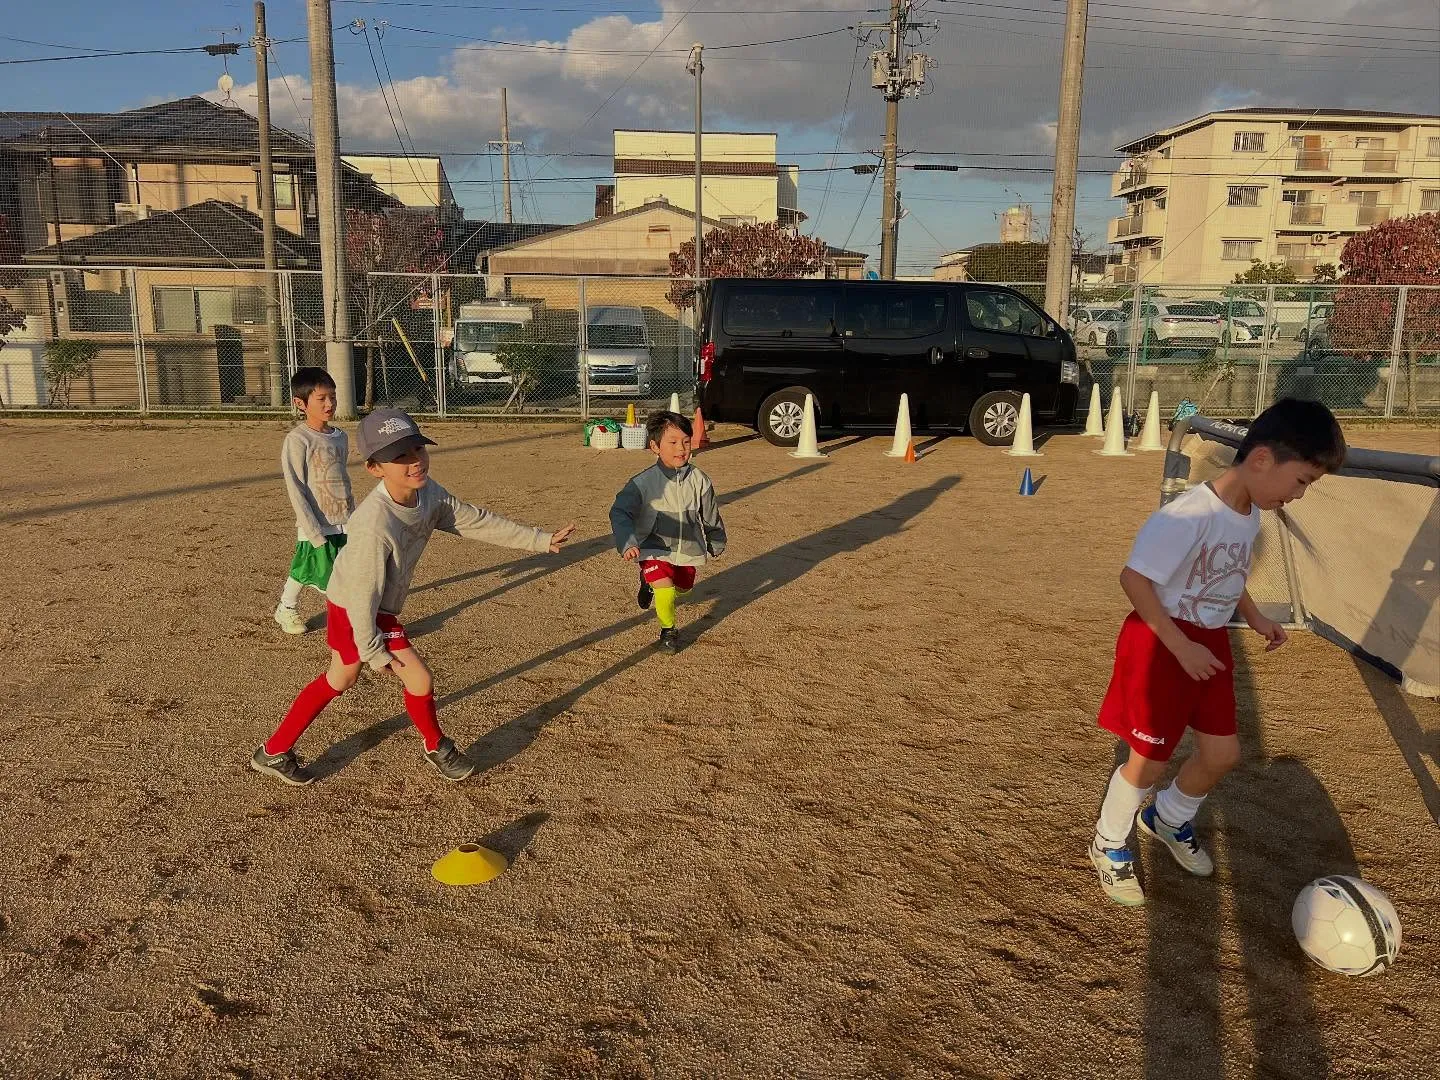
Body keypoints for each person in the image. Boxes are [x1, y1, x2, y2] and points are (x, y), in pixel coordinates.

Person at [1089, 398, 1346, 906]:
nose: (1299, 495)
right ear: (1261, 460)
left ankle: (1167, 818)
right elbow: (1133, 578)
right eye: (1301, 482)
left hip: (1207, 641)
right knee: (1149, 759)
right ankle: (1109, 842)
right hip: (1162, 643)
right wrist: (1180, 645)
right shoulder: (1188, 515)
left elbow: (1227, 574)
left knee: (1222, 753)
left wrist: (1253, 615)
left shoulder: (1250, 512)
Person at [251, 408, 576, 786]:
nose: (414, 462)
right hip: (356, 608)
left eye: (418, 450)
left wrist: (537, 539)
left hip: (372, 605)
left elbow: (472, 518)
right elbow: (361, 596)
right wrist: (373, 650)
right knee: (417, 679)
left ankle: (273, 751)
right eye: (400, 457)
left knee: (340, 678)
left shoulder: (428, 493)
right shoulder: (374, 524)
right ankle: (437, 746)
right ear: (375, 468)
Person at [609, 410, 726, 653]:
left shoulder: (701, 480)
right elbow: (619, 512)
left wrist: (715, 538)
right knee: (666, 587)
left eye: (685, 441)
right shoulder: (642, 483)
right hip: (653, 546)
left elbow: (710, 513)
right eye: (672, 442)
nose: (681, 449)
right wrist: (628, 542)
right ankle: (667, 631)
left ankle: (648, 583)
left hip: (689, 547)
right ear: (655, 446)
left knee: (683, 589)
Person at [275, 367, 354, 635]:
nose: (329, 404)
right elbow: (295, 487)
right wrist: (311, 528)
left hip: (342, 520)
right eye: (321, 398)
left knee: (343, 570)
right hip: (316, 522)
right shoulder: (298, 440)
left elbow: (342, 478)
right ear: (301, 403)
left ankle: (352, 616)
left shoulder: (341, 437)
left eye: (332, 396)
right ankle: (286, 608)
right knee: (307, 568)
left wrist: (352, 516)